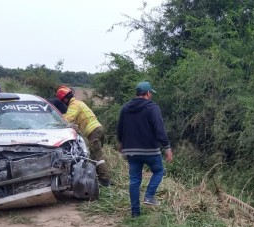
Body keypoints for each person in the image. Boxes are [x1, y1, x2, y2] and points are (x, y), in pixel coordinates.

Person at [116, 81, 173, 217]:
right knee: (159, 171)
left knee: (134, 180)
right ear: (148, 93)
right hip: (150, 150)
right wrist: (167, 147)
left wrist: (121, 142)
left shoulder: (125, 108)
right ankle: (149, 196)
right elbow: (159, 129)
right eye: (151, 93)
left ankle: (135, 214)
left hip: (131, 150)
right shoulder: (152, 108)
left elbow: (120, 128)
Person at [56, 86, 112, 186]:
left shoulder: (73, 105)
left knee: (97, 156)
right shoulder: (80, 103)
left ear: (64, 99)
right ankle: (101, 176)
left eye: (62, 101)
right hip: (98, 129)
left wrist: (59, 118)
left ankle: (105, 180)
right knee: (96, 154)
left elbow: (67, 120)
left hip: (93, 131)